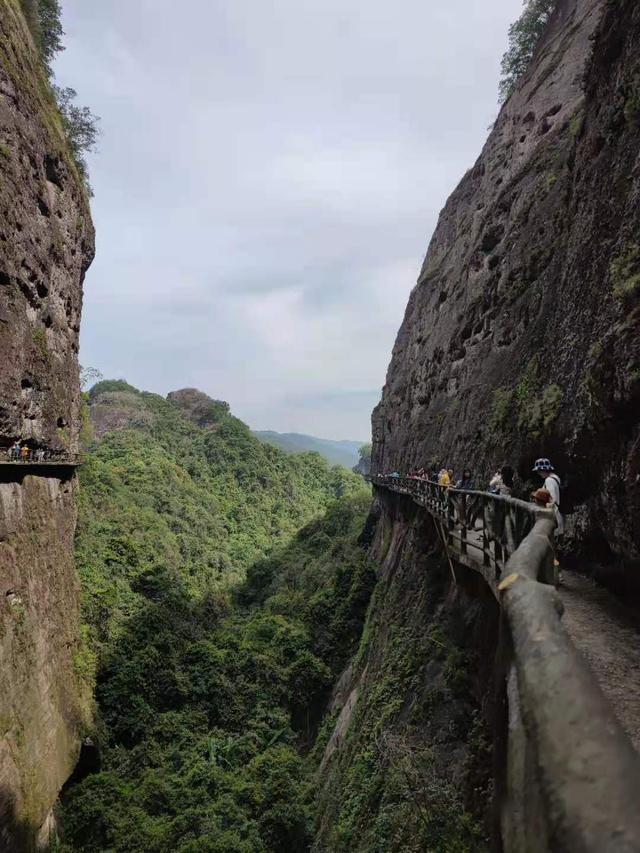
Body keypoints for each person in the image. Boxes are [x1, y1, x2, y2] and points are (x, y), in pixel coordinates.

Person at [532, 458, 563, 535]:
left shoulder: (549, 480)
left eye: (539, 471)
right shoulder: (555, 478)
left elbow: (552, 499)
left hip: (553, 515)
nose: (538, 473)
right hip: (556, 513)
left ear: (544, 470)